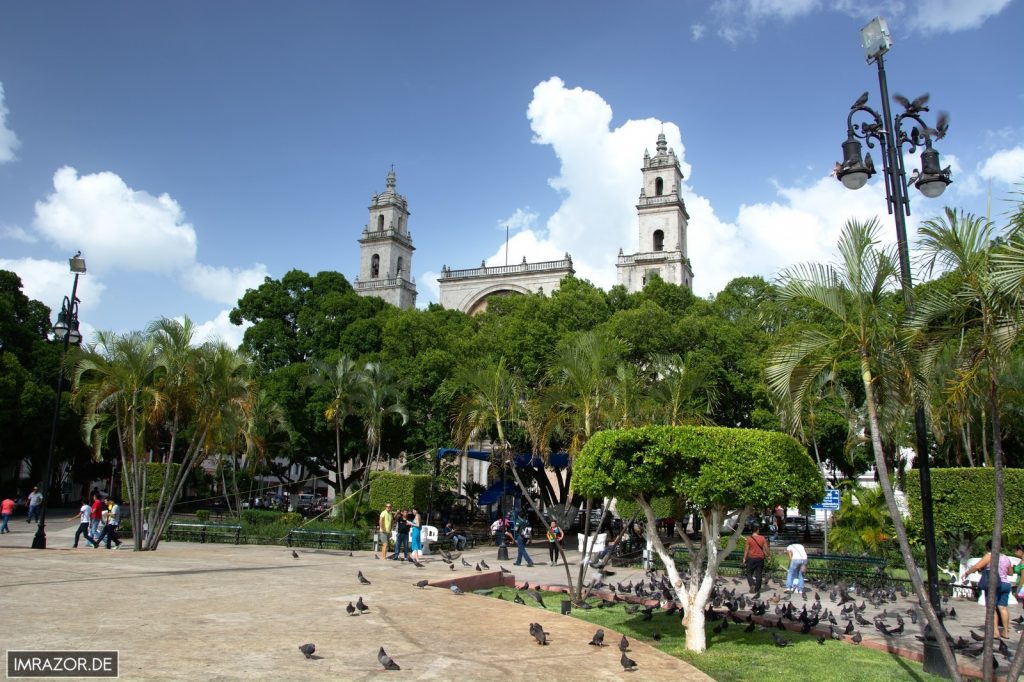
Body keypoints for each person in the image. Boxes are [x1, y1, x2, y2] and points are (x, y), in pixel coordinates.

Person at [963, 540, 1013, 638]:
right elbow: (1010, 572)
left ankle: (995, 632)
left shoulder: (990, 556)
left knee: (992, 608)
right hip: (1005, 584)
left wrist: (967, 573)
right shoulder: (1006, 558)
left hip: (993, 584)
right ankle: (1006, 632)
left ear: (989, 547)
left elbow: (977, 566)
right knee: (1003, 607)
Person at [743, 526, 771, 595]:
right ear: (757, 530)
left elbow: (746, 550)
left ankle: (752, 584)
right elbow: (766, 548)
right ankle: (757, 589)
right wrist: (769, 555)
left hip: (751, 558)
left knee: (748, 572)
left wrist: (744, 558)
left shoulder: (749, 539)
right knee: (759, 574)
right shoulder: (762, 538)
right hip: (760, 558)